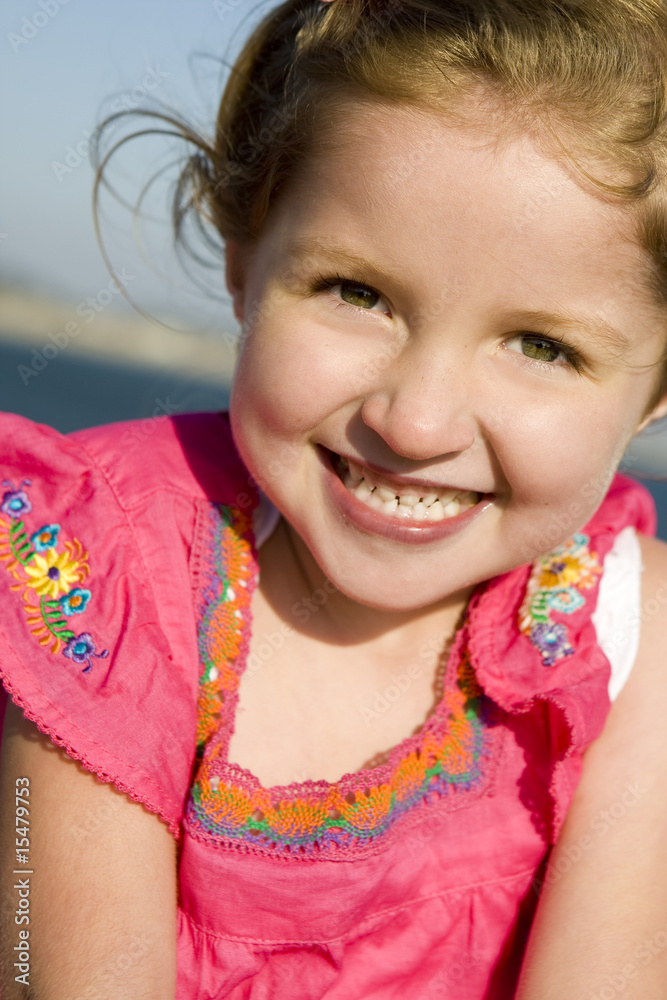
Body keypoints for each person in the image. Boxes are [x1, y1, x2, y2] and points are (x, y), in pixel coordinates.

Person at [2, 0, 667, 996]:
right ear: (245, 261)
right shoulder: (105, 565)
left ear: (654, 393)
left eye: (542, 345)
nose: (415, 422)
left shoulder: (630, 642)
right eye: (358, 293)